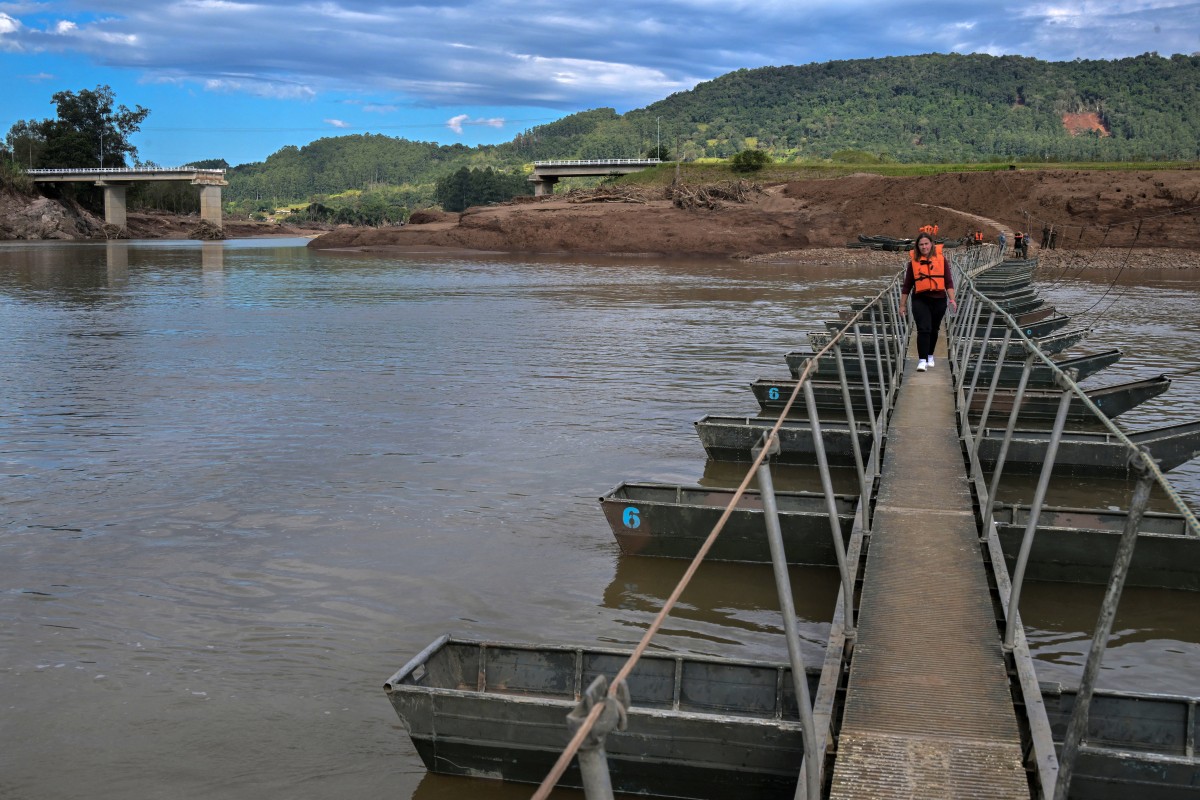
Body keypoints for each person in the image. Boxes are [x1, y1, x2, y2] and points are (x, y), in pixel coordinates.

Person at [903, 231, 956, 372]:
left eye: (926, 243)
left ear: (931, 244)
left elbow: (949, 282)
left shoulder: (942, 260)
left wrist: (952, 299)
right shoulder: (913, 263)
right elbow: (907, 286)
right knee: (924, 329)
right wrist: (902, 305)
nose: (924, 247)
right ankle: (922, 360)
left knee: (934, 329)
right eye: (921, 244)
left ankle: (930, 355)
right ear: (917, 246)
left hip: (939, 300)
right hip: (920, 299)